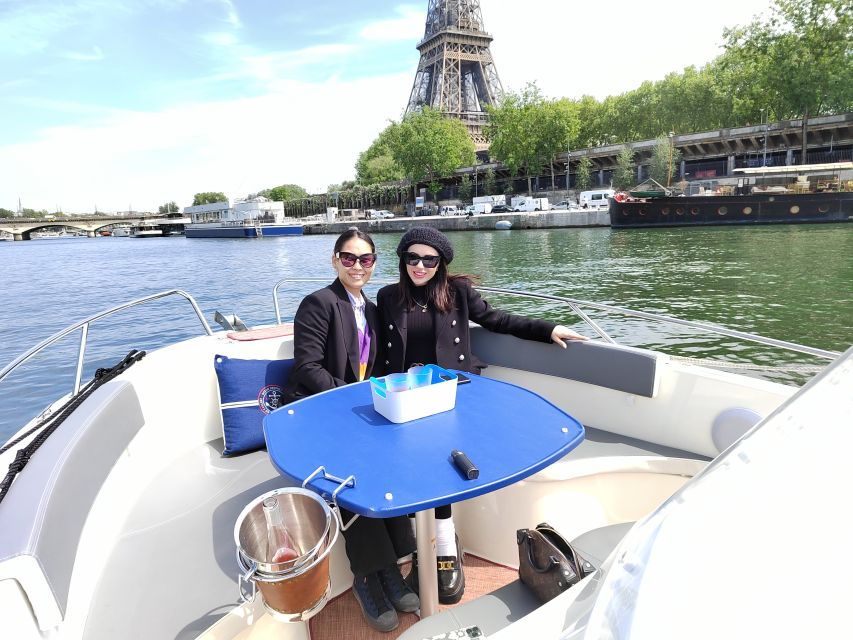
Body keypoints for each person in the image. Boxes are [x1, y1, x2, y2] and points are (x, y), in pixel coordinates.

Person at [376, 226, 587, 604]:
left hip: (452, 393)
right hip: (407, 396)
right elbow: (379, 352)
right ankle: (422, 549)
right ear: (403, 259)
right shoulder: (388, 296)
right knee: (411, 465)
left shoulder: (457, 292)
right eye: (413, 258)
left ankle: (443, 543)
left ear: (441, 263)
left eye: (429, 259)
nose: (420, 266)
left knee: (444, 464)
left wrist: (548, 328)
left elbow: (497, 320)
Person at [282, 229, 418, 633]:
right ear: (334, 260)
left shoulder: (372, 310)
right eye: (348, 258)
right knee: (353, 477)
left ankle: (391, 567)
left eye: (365, 259)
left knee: (388, 464)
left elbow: (375, 368)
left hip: (358, 412)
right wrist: (353, 398)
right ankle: (367, 578)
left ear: (374, 264)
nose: (357, 266)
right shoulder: (318, 304)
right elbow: (306, 367)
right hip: (321, 413)